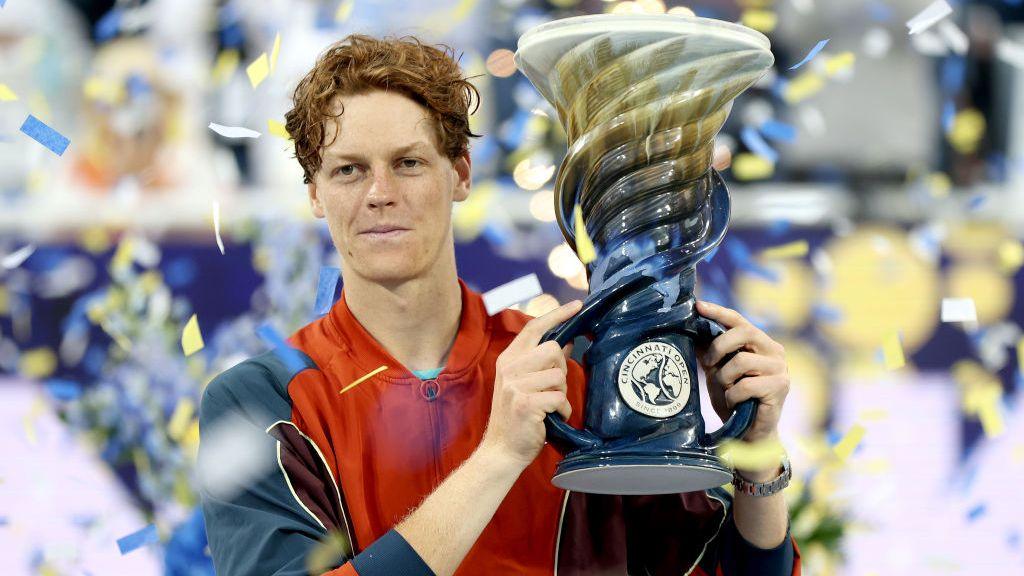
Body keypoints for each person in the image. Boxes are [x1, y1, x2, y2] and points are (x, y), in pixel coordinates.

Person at [199, 34, 801, 576]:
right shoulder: (260, 401)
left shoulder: (578, 370)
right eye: (349, 170)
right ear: (315, 194)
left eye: (408, 163)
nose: (380, 194)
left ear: (459, 173)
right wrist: (500, 455)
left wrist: (758, 458)